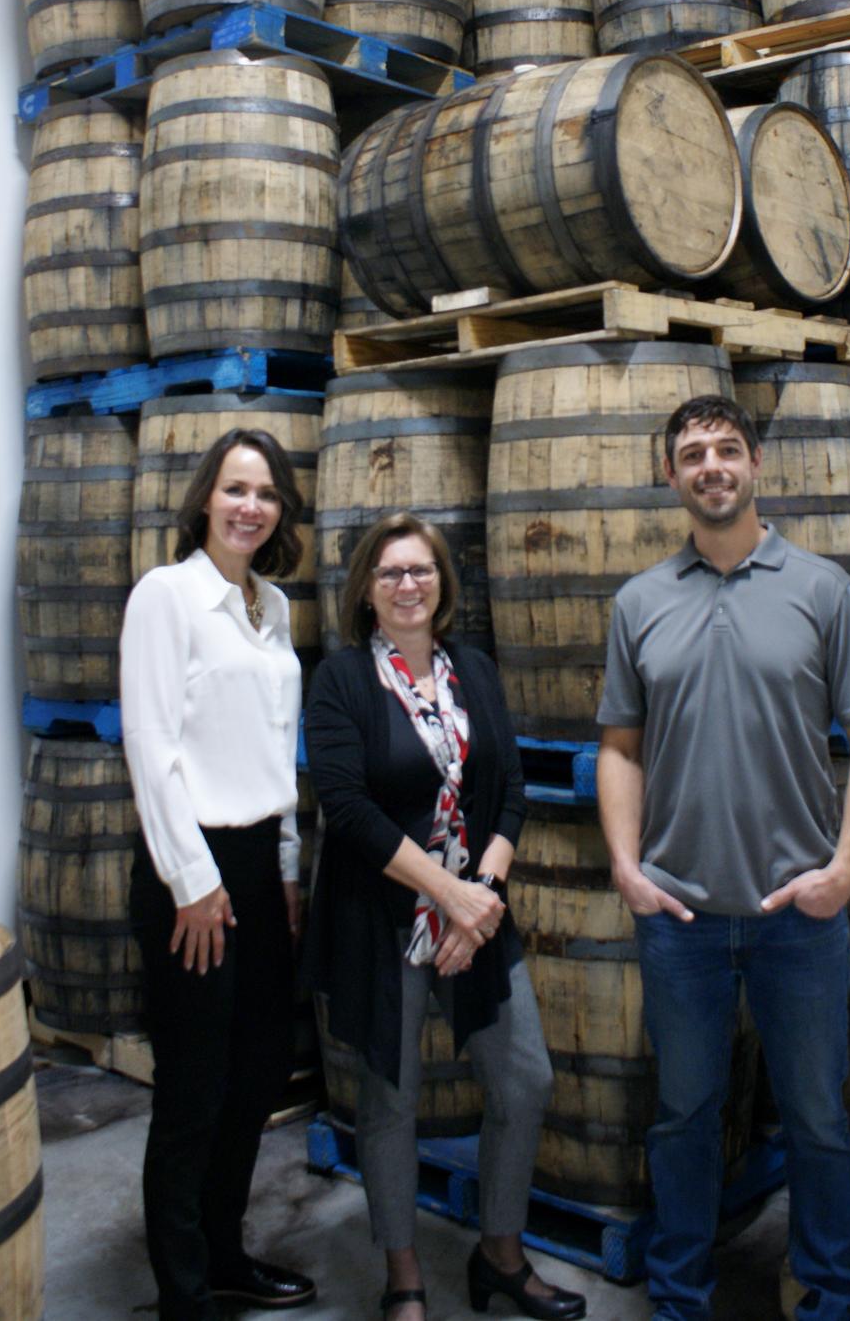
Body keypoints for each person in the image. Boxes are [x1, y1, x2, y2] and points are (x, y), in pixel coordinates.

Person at [596, 394, 850, 1321]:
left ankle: (832, 1300)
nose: (711, 466)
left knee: (817, 1123)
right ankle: (680, 1300)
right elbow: (618, 747)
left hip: (797, 918)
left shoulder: (820, 589)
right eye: (693, 453)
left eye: (727, 448)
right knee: (684, 1120)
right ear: (672, 476)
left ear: (757, 464)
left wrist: (843, 870)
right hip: (680, 917)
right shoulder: (640, 601)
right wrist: (624, 866)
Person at [304, 511, 586, 1321]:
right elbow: (349, 808)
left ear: (442, 584)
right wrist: (447, 893)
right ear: (366, 589)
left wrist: (481, 898)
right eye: (390, 572)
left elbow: (510, 792)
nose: (407, 585)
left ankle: (501, 1256)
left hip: (477, 920)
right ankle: (403, 1277)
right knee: (391, 1099)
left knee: (525, 1080)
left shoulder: (475, 671)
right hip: (384, 920)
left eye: (420, 570)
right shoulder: (344, 682)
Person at [120, 427, 316, 1321]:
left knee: (256, 1074)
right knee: (195, 1087)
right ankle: (184, 1291)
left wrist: (280, 870)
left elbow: (277, 755)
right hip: (187, 868)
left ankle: (226, 1252)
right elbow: (153, 745)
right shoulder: (166, 596)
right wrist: (191, 881)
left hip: (255, 865)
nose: (250, 506)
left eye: (267, 492)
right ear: (206, 498)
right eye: (236, 488)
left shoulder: (271, 607)